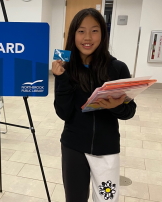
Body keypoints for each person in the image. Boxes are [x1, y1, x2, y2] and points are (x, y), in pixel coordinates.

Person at [52, 8, 136, 202]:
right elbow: (63, 112)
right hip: (73, 146)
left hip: (107, 148)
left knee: (107, 198)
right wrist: (61, 78)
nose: (87, 37)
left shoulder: (117, 68)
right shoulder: (66, 67)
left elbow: (130, 111)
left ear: (103, 34)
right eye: (81, 31)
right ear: (73, 34)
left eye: (94, 30)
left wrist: (115, 105)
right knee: (74, 199)